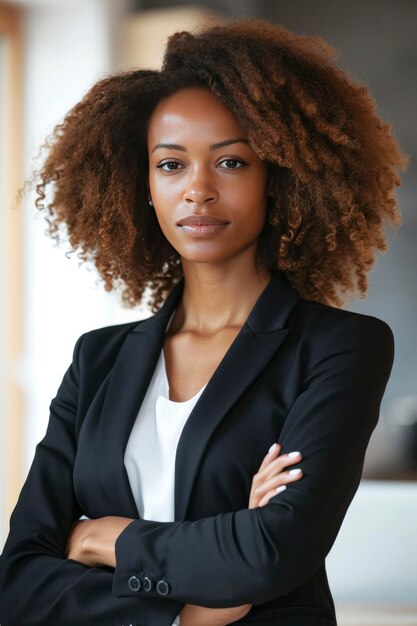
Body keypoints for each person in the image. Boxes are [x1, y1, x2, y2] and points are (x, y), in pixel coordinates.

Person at [0, 17, 408, 626]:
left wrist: (100, 538)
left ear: (281, 180)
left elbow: (272, 551)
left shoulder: (340, 348)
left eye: (232, 163)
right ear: (141, 184)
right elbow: (20, 577)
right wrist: (190, 612)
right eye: (170, 165)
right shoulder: (98, 360)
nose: (198, 190)